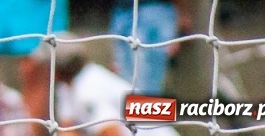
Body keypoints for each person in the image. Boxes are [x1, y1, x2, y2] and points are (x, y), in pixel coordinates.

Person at [45, 43, 178, 136]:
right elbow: (68, 130)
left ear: (56, 71)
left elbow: (111, 132)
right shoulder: (68, 86)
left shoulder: (89, 90)